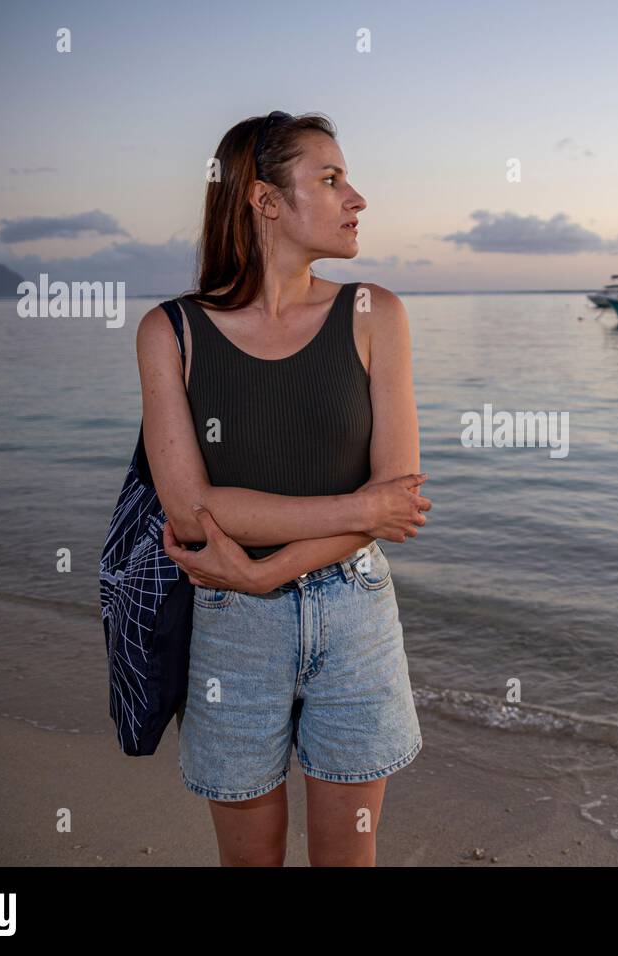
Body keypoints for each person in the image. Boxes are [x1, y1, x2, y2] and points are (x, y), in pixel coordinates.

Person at [135, 110, 432, 866]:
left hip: (355, 618)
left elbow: (396, 495)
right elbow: (191, 510)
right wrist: (360, 507)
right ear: (266, 201)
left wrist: (267, 566)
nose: (356, 197)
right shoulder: (171, 332)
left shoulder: (376, 315)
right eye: (330, 180)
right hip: (231, 625)